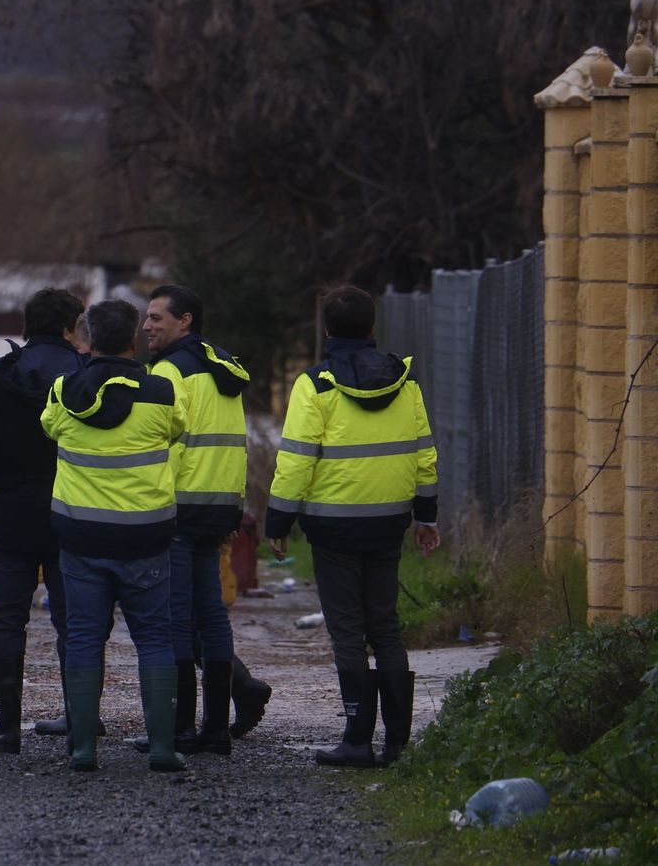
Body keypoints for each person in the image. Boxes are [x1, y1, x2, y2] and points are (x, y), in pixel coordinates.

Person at [266, 285, 439, 767]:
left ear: (326, 331)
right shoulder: (405, 382)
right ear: (372, 328)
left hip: (334, 528)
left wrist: (279, 519)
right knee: (386, 626)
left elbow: (297, 460)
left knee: (348, 632)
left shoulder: (315, 384)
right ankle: (398, 744)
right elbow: (423, 452)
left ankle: (357, 740)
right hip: (389, 523)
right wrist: (425, 516)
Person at [41, 299, 187, 773]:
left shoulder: (64, 390)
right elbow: (176, 431)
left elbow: (49, 428)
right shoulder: (161, 391)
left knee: (83, 637)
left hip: (81, 537)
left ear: (86, 338)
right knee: (154, 638)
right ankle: (163, 748)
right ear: (133, 340)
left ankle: (84, 748)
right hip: (145, 536)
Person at [0, 288, 88, 754]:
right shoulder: (84, 374)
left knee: (7, 621)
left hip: (11, 512)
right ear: (71, 327)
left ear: (27, 325)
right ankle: (78, 720)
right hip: (76, 512)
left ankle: (7, 728)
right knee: (74, 623)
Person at [139, 284, 270, 755]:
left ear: (185, 320)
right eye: (146, 317)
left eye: (157, 318)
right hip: (219, 506)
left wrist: (148, 506)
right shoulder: (222, 367)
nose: (147, 325)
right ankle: (215, 730)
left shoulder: (171, 372)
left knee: (175, 618)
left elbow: (163, 444)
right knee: (211, 616)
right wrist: (235, 507)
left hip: (176, 507)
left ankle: (180, 730)